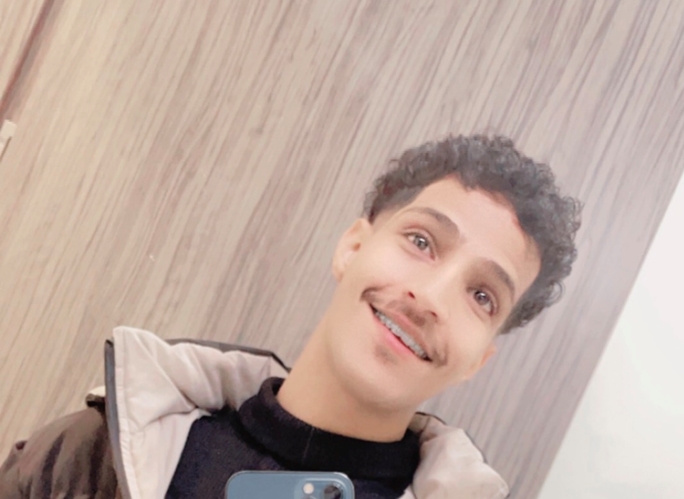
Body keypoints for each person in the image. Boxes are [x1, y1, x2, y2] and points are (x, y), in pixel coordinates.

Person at [0, 135, 581, 499]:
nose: (431, 296)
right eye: (422, 241)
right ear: (353, 247)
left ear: (479, 359)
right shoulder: (102, 450)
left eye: (482, 296)